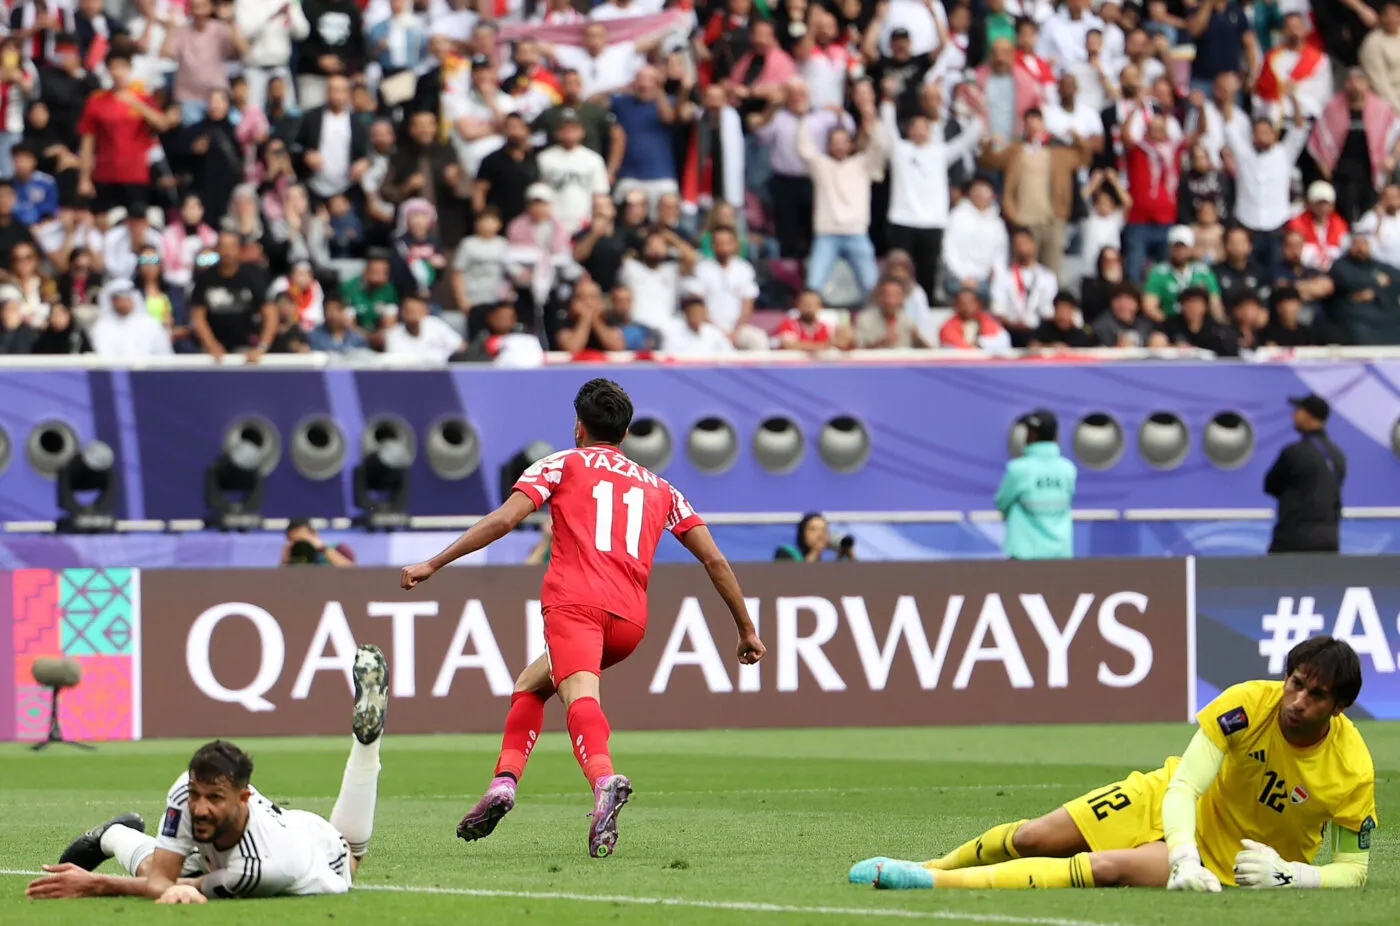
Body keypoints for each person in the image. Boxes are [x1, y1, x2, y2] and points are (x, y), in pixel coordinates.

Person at [399, 379, 766, 858]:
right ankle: (503, 783)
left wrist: (434, 562)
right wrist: (746, 629)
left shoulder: (561, 464)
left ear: (579, 426)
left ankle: (604, 780)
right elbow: (714, 561)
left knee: (578, 693)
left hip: (575, 606)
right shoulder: (661, 488)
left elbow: (504, 520)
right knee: (531, 684)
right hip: (630, 623)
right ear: (627, 431)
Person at [855, 635, 1375, 892]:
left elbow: (1354, 869)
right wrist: (1181, 855)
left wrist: (1292, 876)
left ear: (1339, 707)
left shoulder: (1351, 769)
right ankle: (932, 863)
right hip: (1166, 798)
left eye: (1316, 694)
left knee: (1106, 868)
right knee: (1036, 835)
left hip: (1233, 859)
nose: (1297, 700)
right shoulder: (1245, 704)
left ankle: (929, 885)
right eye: (1295, 682)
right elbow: (1185, 787)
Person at [26, 644, 390, 902]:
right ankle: (115, 833)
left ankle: (366, 744)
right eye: (198, 794)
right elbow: (160, 879)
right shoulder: (187, 790)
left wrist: (95, 884)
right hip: (235, 837)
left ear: (243, 796)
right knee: (165, 868)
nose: (199, 806)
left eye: (214, 798)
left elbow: (166, 887)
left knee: (351, 858)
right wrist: (167, 882)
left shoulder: (263, 870)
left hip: (315, 847)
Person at [1264, 394, 1346, 554]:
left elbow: (1270, 485)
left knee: (1278, 578)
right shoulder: (1338, 455)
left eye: (1298, 410)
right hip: (1329, 539)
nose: (1294, 415)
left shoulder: (1293, 452)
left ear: (1308, 415)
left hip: (1293, 539)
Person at [994, 409, 1076, 559]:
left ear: (1032, 435)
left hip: (1024, 556)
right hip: (1061, 554)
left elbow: (1001, 503)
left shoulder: (1017, 469)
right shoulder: (1068, 469)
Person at [773, 512, 855, 561]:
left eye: (824, 530)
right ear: (802, 533)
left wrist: (850, 556)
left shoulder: (828, 557)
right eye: (813, 529)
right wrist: (815, 551)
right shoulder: (785, 553)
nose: (820, 535)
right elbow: (795, 580)